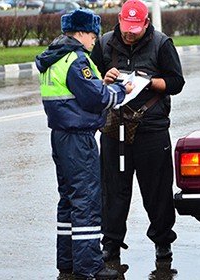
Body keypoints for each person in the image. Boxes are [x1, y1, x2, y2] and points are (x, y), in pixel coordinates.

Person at [35, 8, 134, 280]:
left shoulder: (52, 57)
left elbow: (74, 95)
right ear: (80, 32)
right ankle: (89, 267)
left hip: (60, 136)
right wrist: (119, 90)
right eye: (92, 34)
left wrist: (102, 86)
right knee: (87, 201)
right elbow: (96, 98)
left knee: (67, 200)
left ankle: (66, 262)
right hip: (79, 139)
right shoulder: (76, 60)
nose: (94, 40)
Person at [90, 0, 185, 262]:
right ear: (119, 19)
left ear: (146, 23)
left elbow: (177, 82)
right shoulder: (105, 43)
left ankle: (162, 241)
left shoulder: (161, 44)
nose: (129, 32)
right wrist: (105, 79)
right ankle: (111, 241)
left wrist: (149, 82)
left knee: (156, 190)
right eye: (126, 26)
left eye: (135, 27)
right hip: (114, 128)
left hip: (151, 129)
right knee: (113, 189)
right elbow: (91, 79)